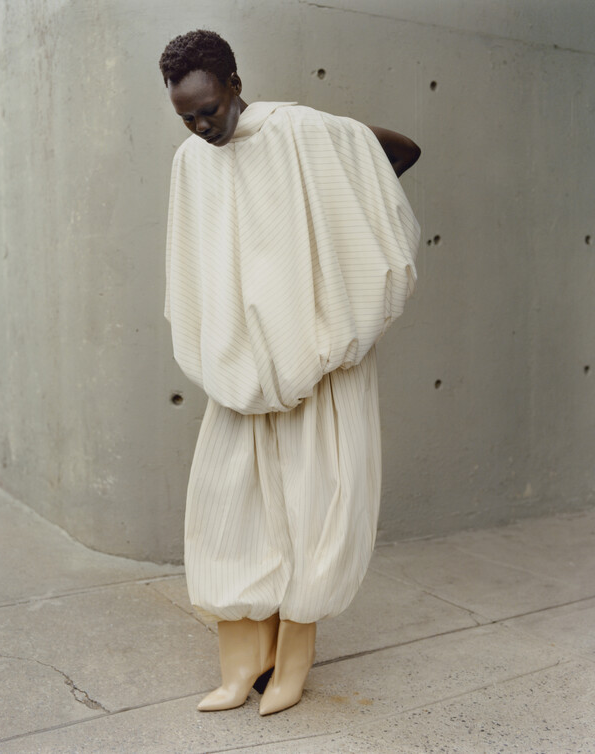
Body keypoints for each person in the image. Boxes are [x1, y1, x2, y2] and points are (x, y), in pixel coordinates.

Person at [159, 29, 421, 716]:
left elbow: (400, 151)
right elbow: (192, 264)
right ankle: (243, 660)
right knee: (232, 510)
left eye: (209, 109)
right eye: (186, 116)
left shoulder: (300, 131)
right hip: (243, 366)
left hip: (319, 356)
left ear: (236, 85)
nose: (201, 126)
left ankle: (293, 658)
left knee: (315, 507)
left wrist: (340, 201)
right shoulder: (192, 160)